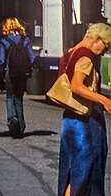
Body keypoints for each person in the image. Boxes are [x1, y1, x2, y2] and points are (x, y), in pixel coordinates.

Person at [57, 23, 111, 196]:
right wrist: (104, 100)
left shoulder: (71, 51)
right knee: (87, 172)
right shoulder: (86, 57)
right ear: (97, 39)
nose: (104, 52)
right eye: (106, 47)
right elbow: (76, 86)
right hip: (84, 120)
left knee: (73, 171)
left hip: (70, 119)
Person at [0, 17, 35, 137]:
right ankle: (21, 125)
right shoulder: (25, 40)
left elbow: (2, 59)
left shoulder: (5, 41)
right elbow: (32, 57)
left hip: (10, 72)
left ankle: (12, 119)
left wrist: (2, 72)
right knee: (19, 98)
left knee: (10, 97)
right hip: (22, 72)